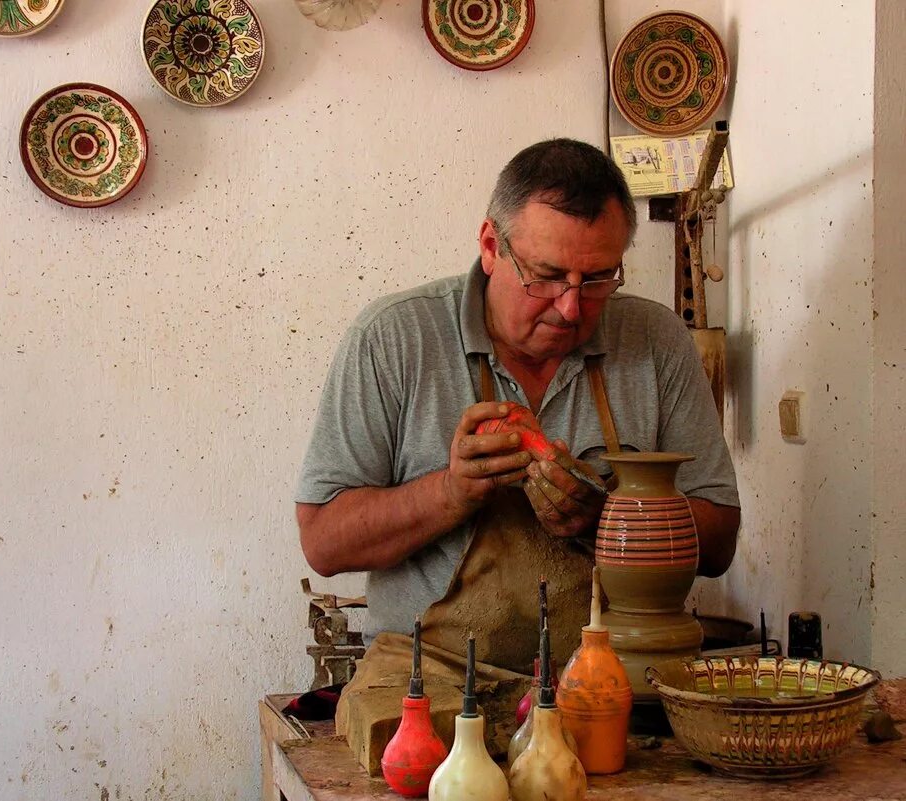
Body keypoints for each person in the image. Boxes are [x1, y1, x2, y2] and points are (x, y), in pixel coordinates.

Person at [295, 138, 740, 679]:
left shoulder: (656, 341)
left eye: (598, 279)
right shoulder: (393, 338)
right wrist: (451, 493)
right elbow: (323, 541)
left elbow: (718, 543)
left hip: (617, 675)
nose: (571, 307)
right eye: (546, 275)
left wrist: (605, 516)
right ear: (490, 245)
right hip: (430, 680)